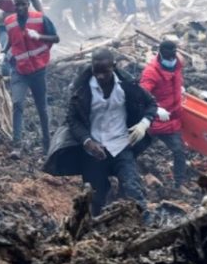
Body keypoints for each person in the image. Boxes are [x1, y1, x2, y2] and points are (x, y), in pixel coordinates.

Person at [44, 48, 156, 216]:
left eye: (105, 71)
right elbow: (72, 120)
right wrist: (87, 142)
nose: (101, 76)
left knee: (133, 188)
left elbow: (151, 104)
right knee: (95, 198)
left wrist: (144, 124)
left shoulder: (127, 85)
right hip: (94, 151)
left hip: (121, 145)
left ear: (114, 66)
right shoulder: (81, 90)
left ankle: (148, 227)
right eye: (97, 72)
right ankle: (97, 231)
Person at [1, 0, 59, 159]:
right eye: (17, 4)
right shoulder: (9, 22)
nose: (20, 8)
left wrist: (39, 36)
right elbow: (11, 40)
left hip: (38, 71)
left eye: (23, 4)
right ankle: (16, 146)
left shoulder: (40, 19)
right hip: (19, 70)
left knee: (41, 107)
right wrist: (3, 51)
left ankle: (47, 143)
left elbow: (56, 38)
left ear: (28, 4)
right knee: (17, 103)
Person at [139, 40, 187, 188]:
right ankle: (136, 176)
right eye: (168, 57)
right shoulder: (151, 72)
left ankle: (179, 184)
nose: (171, 60)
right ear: (160, 54)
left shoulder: (177, 63)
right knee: (138, 148)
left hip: (172, 118)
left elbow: (177, 79)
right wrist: (155, 109)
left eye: (173, 57)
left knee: (179, 151)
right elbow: (140, 96)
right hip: (154, 120)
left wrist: (181, 88)